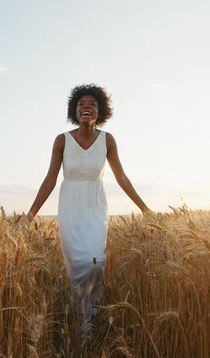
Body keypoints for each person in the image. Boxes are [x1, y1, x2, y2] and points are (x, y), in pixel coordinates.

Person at [26, 84, 152, 340]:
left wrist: (144, 208)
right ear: (75, 110)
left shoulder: (108, 140)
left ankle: (92, 313)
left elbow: (122, 178)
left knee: (96, 261)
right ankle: (82, 321)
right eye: (81, 103)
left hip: (95, 207)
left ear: (100, 111)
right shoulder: (62, 140)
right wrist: (31, 214)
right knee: (78, 263)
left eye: (92, 104)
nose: (86, 106)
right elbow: (50, 179)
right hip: (70, 207)